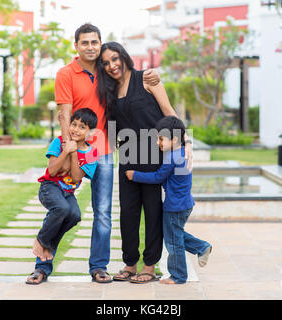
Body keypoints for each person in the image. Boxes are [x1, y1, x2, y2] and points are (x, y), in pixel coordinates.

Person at [55, 23, 160, 283]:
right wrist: (69, 149)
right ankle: (43, 263)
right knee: (59, 206)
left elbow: (131, 81)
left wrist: (152, 76)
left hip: (104, 152)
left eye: (95, 42)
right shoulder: (65, 73)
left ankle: (98, 266)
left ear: (100, 44)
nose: (90, 47)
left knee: (103, 211)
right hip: (76, 151)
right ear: (76, 45)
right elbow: (65, 114)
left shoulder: (107, 74)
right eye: (85, 42)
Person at [96, 42, 193, 284]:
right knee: (127, 212)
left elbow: (169, 112)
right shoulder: (108, 90)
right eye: (106, 62)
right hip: (127, 155)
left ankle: (149, 266)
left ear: (124, 57)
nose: (112, 65)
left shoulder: (147, 79)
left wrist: (186, 141)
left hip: (154, 153)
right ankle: (130, 263)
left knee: (152, 212)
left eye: (115, 59)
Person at [125, 116, 212, 285]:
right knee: (174, 235)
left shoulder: (172, 157)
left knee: (173, 241)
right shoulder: (182, 153)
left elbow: (158, 177)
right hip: (184, 203)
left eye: (161, 139)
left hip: (175, 206)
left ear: (174, 139)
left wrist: (134, 174)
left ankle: (178, 276)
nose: (158, 143)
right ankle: (201, 247)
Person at [26, 108, 99, 285]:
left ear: (90, 133)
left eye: (82, 127)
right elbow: (52, 170)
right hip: (49, 187)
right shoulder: (59, 142)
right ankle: (41, 245)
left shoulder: (92, 153)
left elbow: (75, 177)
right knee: (62, 209)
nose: (75, 129)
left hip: (67, 192)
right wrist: (66, 150)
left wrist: (74, 152)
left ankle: (47, 246)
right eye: (73, 124)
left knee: (74, 215)